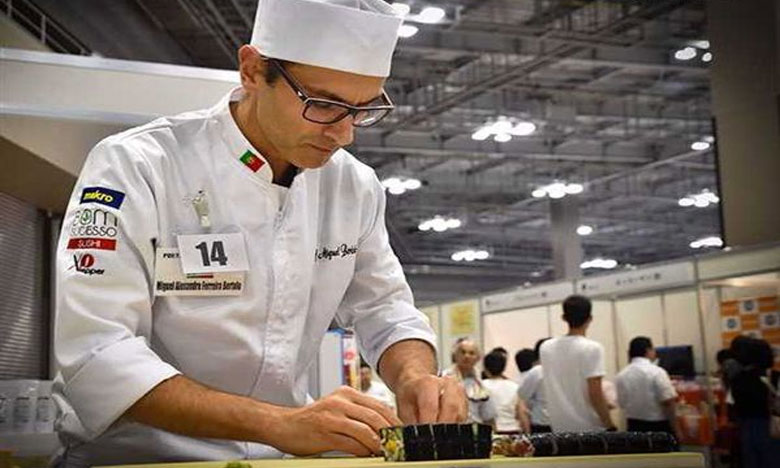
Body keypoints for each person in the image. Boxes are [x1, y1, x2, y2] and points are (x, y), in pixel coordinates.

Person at [52, 0, 467, 464]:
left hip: (278, 459)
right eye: (324, 104)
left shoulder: (352, 185)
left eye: (364, 109)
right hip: (140, 459)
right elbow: (99, 354)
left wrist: (414, 378)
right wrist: (277, 422)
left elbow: (386, 309)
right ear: (252, 70)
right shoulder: (140, 166)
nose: (344, 133)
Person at [540, 295, 616, 432]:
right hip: (591, 429)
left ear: (563, 317)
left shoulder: (546, 347)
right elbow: (595, 393)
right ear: (590, 318)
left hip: (559, 429)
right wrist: (609, 424)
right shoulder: (592, 348)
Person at [724, 336, 780, 468]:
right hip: (773, 427)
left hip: (746, 429)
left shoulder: (736, 380)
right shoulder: (775, 377)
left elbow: (731, 406)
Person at [615, 337, 680, 435]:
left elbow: (622, 403)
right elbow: (668, 401)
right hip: (658, 426)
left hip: (633, 426)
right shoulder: (657, 372)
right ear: (648, 351)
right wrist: (676, 428)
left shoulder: (621, 375)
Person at [443, 339, 497, 426]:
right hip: (450, 429)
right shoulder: (444, 378)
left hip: (474, 430)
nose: (467, 356)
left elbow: (489, 417)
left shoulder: (481, 385)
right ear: (455, 355)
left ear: (477, 358)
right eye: (463, 352)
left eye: (471, 353)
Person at [482, 350, 529, 433]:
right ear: (504, 368)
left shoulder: (481, 386)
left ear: (485, 368)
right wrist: (527, 433)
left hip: (490, 431)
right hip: (513, 429)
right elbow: (522, 412)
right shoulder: (514, 386)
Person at [517, 338, 551, 433]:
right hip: (561, 422)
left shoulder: (537, 371)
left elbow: (522, 396)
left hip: (542, 422)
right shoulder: (563, 369)